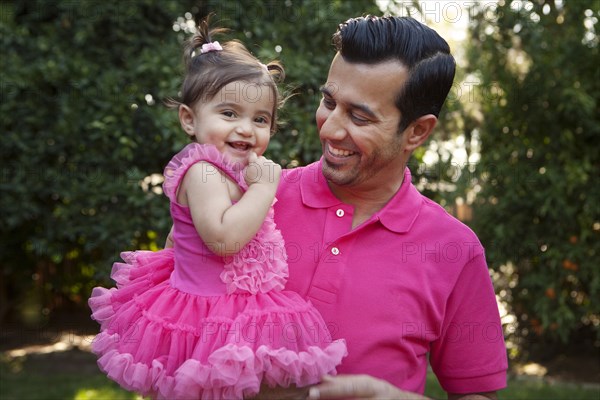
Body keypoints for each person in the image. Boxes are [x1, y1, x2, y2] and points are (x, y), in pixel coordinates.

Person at [88, 17, 347, 400]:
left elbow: (178, 236)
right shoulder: (203, 171)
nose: (245, 128)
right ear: (190, 120)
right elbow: (224, 241)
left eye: (260, 119)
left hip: (238, 308)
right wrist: (263, 190)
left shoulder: (233, 173)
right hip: (207, 313)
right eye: (229, 114)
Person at [257, 15, 509, 399]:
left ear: (418, 131)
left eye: (359, 117)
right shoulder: (251, 200)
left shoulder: (454, 249)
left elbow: (478, 393)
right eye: (328, 102)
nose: (329, 129)